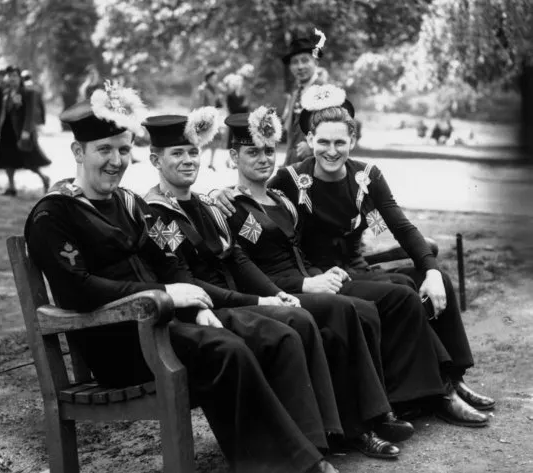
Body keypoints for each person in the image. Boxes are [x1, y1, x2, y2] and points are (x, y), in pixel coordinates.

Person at [25, 81, 339, 473]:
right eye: (104, 150)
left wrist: (196, 303)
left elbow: (168, 262)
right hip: (118, 341)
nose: (116, 161)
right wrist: (168, 296)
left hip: (163, 322)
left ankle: (298, 451)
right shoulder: (54, 214)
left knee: (269, 335)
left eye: (123, 150)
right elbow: (78, 290)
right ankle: (286, 464)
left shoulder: (129, 203)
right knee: (226, 350)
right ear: (78, 151)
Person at [142, 110, 415, 460]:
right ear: (155, 160)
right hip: (207, 312)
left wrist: (275, 295)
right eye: (177, 153)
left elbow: (236, 258)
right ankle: (327, 439)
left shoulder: (206, 204)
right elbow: (186, 279)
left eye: (193, 152)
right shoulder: (157, 213)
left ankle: (355, 426)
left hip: (246, 296)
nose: (188, 160)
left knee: (340, 315)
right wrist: (265, 298)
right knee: (313, 318)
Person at [268, 84, 495, 423]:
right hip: (324, 279)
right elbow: (256, 206)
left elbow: (401, 226)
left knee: (437, 278)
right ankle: (439, 392)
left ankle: (455, 378)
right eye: (324, 142)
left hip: (360, 268)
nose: (332, 151)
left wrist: (430, 269)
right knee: (402, 293)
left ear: (352, 142)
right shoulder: (289, 179)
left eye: (340, 142)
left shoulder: (367, 175)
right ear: (311, 139)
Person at [0, 66, 51, 196]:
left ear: (19, 78)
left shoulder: (28, 92)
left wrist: (26, 131)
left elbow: (30, 114)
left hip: (21, 132)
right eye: (9, 76)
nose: (12, 78)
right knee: (7, 159)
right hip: (7, 131)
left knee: (29, 161)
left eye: (14, 76)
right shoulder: (6, 92)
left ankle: (44, 178)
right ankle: (11, 187)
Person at [282, 29, 328, 166]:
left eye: (305, 60)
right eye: (295, 62)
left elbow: (338, 131)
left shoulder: (326, 92)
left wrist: (314, 146)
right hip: (292, 164)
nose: (300, 66)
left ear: (315, 63)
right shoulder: (295, 94)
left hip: (317, 166)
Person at [194, 70, 224, 170]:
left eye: (216, 79)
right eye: (212, 79)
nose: (214, 81)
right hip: (206, 118)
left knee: (216, 140)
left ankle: (211, 162)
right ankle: (196, 160)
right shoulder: (203, 89)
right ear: (208, 79)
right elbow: (199, 104)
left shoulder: (215, 90)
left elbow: (218, 104)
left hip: (214, 118)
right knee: (205, 141)